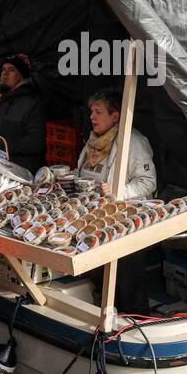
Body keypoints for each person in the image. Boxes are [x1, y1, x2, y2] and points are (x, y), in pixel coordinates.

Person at [75, 87, 158, 314]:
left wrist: (118, 191)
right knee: (103, 283)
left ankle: (136, 330)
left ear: (115, 116)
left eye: (98, 112)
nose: (92, 117)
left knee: (129, 285)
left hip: (126, 227)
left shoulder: (134, 142)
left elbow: (148, 183)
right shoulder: (93, 142)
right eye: (92, 111)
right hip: (96, 223)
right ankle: (108, 325)